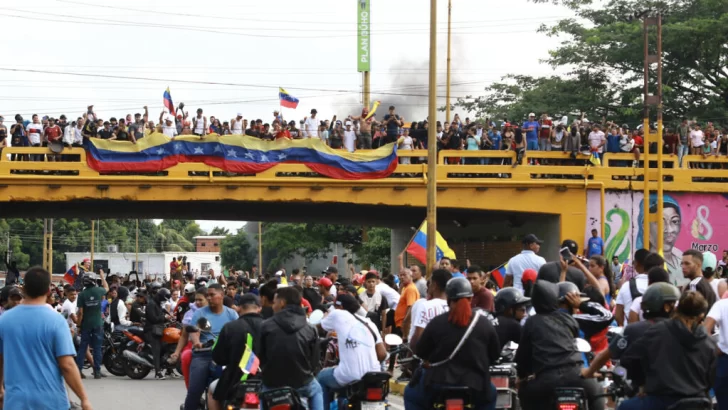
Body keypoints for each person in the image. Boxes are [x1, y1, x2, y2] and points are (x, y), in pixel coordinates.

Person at [0, 266, 93, 410]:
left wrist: (1, 387)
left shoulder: (4, 320)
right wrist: (84, 399)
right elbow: (67, 365)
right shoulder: (56, 321)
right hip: (51, 401)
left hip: (16, 402)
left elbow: (1, 358)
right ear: (48, 291)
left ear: (23, 289)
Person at [404, 277, 500, 410]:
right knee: (492, 395)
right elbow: (494, 355)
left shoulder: (436, 323)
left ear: (448, 299)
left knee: (410, 395)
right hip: (476, 386)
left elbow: (420, 352)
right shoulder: (484, 323)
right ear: (471, 298)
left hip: (438, 383)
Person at [617, 291, 716, 410]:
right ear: (701, 316)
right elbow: (712, 378)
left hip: (659, 401)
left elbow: (628, 359)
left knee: (624, 406)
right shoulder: (709, 343)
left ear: (676, 309)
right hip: (697, 403)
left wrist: (642, 383)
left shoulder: (657, 332)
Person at [516, 280, 605, 410]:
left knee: (524, 393)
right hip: (576, 374)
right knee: (597, 391)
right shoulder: (570, 319)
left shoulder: (531, 322)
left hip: (546, 379)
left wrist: (522, 377)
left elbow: (523, 357)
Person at [583, 282, 680, 389]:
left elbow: (606, 355)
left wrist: (589, 371)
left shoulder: (634, 329)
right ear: (666, 307)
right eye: (673, 304)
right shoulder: (682, 330)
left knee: (623, 406)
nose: (675, 308)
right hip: (678, 391)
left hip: (648, 394)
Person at [256, 287, 323, 410]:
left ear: (282, 303)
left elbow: (260, 355)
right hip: (302, 383)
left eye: (274, 303)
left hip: (272, 384)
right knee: (318, 390)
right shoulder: (310, 328)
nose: (272, 306)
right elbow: (314, 362)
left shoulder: (265, 326)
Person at [317, 293, 387, 410]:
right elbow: (382, 354)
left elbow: (317, 328)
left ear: (339, 306)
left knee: (321, 378)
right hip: (373, 376)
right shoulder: (369, 323)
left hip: (349, 375)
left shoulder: (338, 314)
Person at [175, 284, 239, 410]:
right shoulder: (200, 313)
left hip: (226, 357)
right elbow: (194, 331)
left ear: (221, 295)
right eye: (207, 295)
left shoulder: (232, 314)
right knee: (194, 391)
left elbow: (239, 331)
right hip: (203, 354)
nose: (209, 298)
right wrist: (197, 342)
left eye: (212, 295)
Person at [209, 294, 264, 410]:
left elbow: (218, 357)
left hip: (234, 381)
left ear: (239, 308)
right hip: (265, 381)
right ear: (259, 308)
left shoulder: (229, 327)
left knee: (212, 390)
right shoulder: (271, 326)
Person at [409, 269, 453, 352]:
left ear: (435, 285)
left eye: (430, 282)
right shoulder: (454, 306)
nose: (428, 285)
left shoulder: (425, 306)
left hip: (429, 358)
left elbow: (418, 338)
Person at [75, 272, 109, 379]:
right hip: (98, 324)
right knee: (97, 348)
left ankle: (79, 370)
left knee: (83, 347)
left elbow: (80, 312)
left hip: (86, 324)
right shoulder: (99, 291)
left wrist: (79, 326)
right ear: (94, 280)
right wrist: (102, 277)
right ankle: (97, 371)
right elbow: (106, 287)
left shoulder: (81, 294)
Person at [615, 250, 658, 326]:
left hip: (630, 333)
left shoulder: (626, 286)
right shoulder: (660, 285)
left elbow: (618, 315)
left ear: (636, 264)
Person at [146, 287, 171, 380]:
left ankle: (169, 370)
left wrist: (169, 316)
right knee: (157, 350)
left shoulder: (158, 304)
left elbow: (161, 314)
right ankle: (158, 372)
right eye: (163, 299)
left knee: (166, 347)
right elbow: (154, 319)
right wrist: (164, 318)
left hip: (158, 330)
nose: (163, 301)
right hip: (151, 331)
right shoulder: (151, 304)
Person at [395, 268, 420, 339]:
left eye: (404, 275)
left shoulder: (410, 289)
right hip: (401, 324)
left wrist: (405, 322)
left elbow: (411, 307)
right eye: (400, 275)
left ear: (411, 275)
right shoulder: (406, 288)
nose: (402, 277)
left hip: (404, 325)